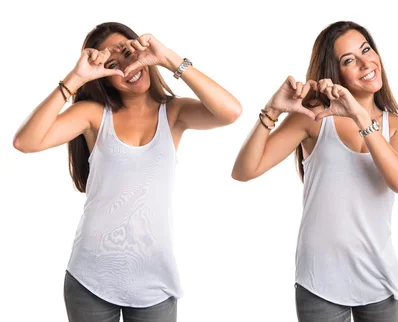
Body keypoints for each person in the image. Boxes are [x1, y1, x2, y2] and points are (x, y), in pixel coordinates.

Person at [12, 22, 242, 322]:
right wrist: (75, 78)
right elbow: (25, 142)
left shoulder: (174, 113)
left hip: (154, 281)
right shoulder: (94, 115)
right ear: (104, 77)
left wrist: (169, 58)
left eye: (129, 53)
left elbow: (231, 111)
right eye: (113, 65)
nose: (128, 68)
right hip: (90, 278)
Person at [232, 21, 398, 322]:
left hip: (380, 278)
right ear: (335, 72)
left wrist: (358, 114)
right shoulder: (314, 119)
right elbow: (244, 171)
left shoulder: (396, 125)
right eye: (349, 60)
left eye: (366, 50)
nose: (366, 62)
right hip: (320, 281)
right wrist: (272, 111)